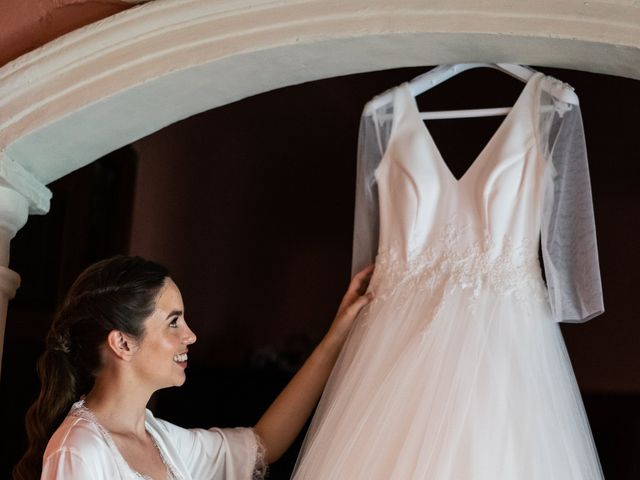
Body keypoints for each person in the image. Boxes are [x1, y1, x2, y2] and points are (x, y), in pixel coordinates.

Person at [13, 255, 373, 479]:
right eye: (174, 322)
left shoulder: (163, 441)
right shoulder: (80, 451)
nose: (191, 335)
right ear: (122, 343)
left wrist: (335, 339)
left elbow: (262, 445)